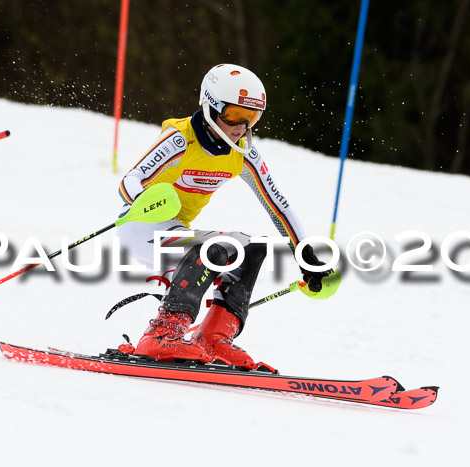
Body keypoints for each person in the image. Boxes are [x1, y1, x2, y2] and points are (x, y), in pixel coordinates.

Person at [116, 63, 339, 370]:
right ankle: (163, 334)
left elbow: (277, 204)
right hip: (139, 228)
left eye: (252, 118)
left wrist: (306, 254)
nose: (242, 127)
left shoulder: (243, 152)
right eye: (235, 115)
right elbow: (128, 184)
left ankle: (213, 337)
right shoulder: (180, 139)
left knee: (251, 248)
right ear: (210, 106)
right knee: (216, 248)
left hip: (176, 232)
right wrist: (147, 201)